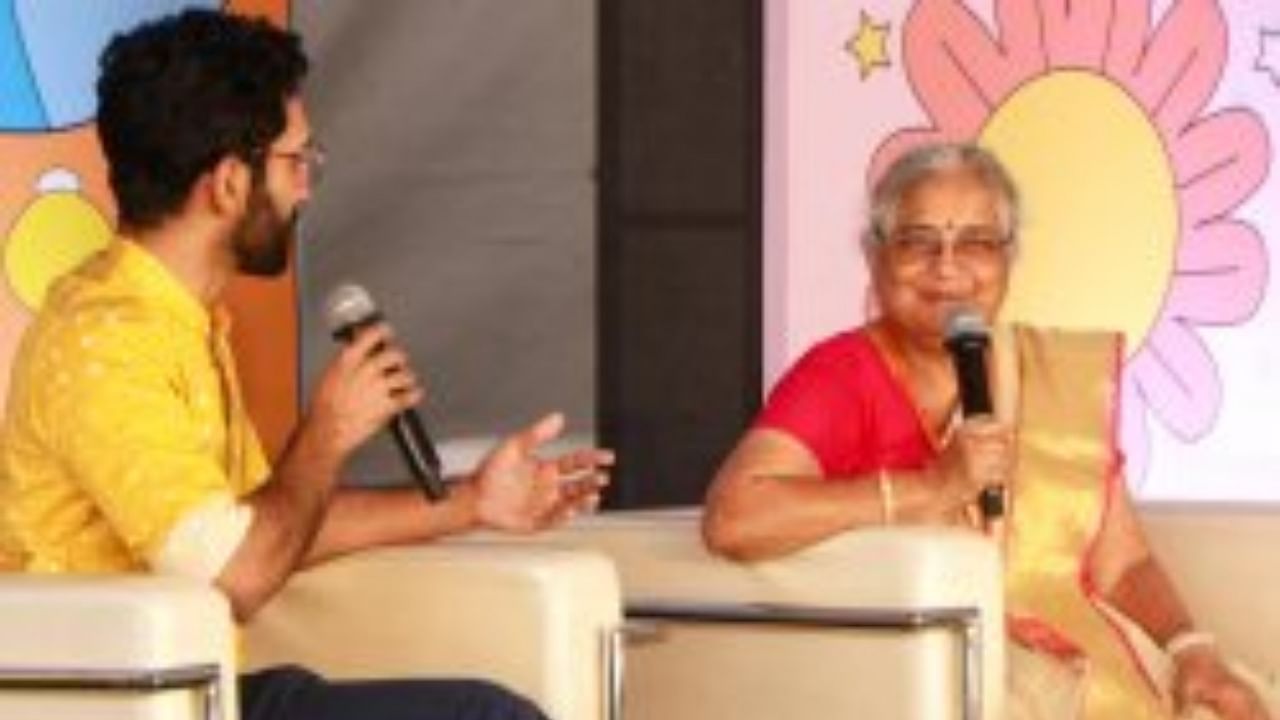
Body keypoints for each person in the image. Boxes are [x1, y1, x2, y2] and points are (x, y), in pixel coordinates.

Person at [0, 10, 612, 720]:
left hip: (194, 694)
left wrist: (474, 502)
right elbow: (242, 572)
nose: (308, 190)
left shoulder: (174, 321)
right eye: (298, 162)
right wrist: (328, 430)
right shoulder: (107, 342)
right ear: (228, 183)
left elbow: (268, 528)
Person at [702, 143, 1270, 719]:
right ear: (875, 258)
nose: (947, 267)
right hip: (941, 672)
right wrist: (931, 487)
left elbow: (1122, 564)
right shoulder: (841, 375)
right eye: (918, 241)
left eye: (976, 242)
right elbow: (735, 518)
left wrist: (1193, 651)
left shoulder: (1051, 376)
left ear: (1008, 259)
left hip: (1086, 659)